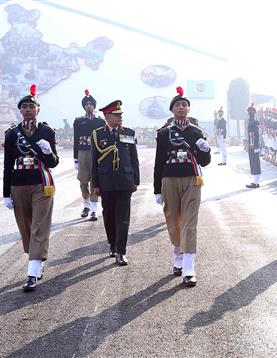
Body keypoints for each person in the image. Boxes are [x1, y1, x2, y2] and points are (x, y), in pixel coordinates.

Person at [2, 84, 59, 292]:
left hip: (41, 184)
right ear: (20, 110)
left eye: (31, 106)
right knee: (25, 227)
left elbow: (53, 162)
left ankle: (33, 272)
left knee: (38, 226)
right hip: (19, 184)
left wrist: (46, 151)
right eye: (24, 106)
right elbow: (7, 164)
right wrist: (6, 193)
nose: (27, 109)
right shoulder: (11, 134)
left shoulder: (46, 131)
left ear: (38, 109)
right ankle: (36, 257)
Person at [153, 86, 212, 287]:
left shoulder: (196, 131)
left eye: (184, 104)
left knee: (190, 222)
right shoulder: (164, 134)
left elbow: (204, 161)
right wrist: (156, 189)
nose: (181, 107)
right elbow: (158, 161)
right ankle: (177, 257)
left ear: (188, 109)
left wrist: (206, 150)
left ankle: (188, 268)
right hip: (169, 179)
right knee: (173, 220)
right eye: (178, 104)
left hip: (192, 180)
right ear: (172, 109)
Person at [91, 100, 140, 265]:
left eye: (121, 114)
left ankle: (121, 251)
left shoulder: (128, 132)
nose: (120, 117)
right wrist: (95, 185)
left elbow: (134, 158)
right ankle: (112, 243)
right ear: (107, 116)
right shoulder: (98, 134)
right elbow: (94, 161)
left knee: (123, 217)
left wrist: (136, 180)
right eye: (116, 115)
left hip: (125, 181)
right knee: (108, 215)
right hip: (106, 182)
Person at [73, 89, 106, 220]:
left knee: (94, 179)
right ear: (84, 106)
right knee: (83, 180)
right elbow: (76, 139)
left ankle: (93, 208)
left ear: (94, 106)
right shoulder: (79, 120)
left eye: (91, 104)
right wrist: (75, 157)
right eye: (86, 104)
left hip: (96, 151)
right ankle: (86, 204)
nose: (89, 106)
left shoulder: (100, 121)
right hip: (82, 152)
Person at [246, 105, 262, 188]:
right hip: (251, 144)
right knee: (252, 161)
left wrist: (255, 145)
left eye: (251, 111)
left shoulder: (255, 121)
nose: (249, 112)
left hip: (254, 144)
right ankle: (254, 181)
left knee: (255, 161)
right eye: (248, 111)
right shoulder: (250, 120)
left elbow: (257, 134)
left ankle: (255, 182)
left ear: (254, 112)